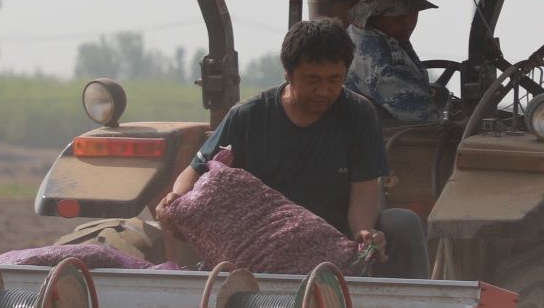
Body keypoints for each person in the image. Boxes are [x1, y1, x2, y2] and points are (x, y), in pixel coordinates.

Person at [159, 18, 430, 281]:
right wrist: (175, 199)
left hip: (332, 245)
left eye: (334, 80)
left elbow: (364, 189)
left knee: (402, 223)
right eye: (313, 80)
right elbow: (194, 174)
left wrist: (363, 231)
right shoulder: (249, 116)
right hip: (261, 248)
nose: (324, 91)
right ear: (288, 74)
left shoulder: (358, 113)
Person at [346, 0, 446, 122]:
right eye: (397, 16)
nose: (408, 23)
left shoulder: (362, 34)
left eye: (413, 12)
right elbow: (428, 123)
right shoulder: (383, 66)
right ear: (375, 14)